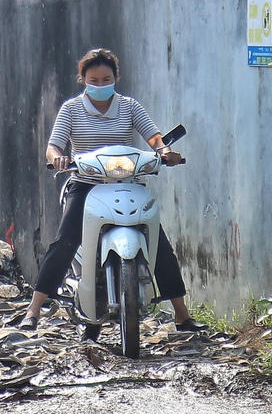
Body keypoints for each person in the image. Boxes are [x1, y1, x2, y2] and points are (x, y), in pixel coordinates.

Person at [19, 47, 206, 334]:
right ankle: (33, 310)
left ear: (117, 77)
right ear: (82, 79)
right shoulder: (71, 109)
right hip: (86, 184)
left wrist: (165, 151)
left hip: (126, 183)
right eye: (93, 80)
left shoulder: (130, 106)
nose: (100, 85)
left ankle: (181, 314)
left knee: (158, 242)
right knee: (66, 241)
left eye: (106, 79)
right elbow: (53, 145)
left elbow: (153, 136)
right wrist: (56, 157)